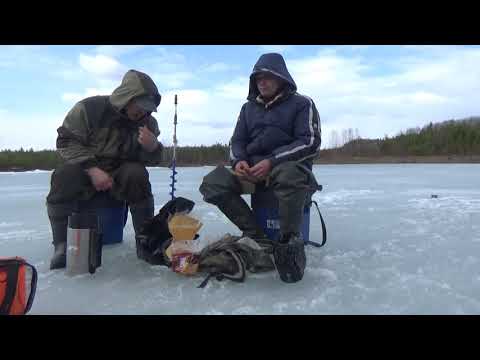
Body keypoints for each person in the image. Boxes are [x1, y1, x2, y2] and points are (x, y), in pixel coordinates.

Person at [199, 53, 321, 283]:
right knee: (213, 183)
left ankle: (288, 242)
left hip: (285, 168)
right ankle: (258, 238)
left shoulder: (303, 104)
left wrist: (272, 161)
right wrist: (239, 162)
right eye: (258, 78)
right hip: (252, 171)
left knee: (290, 175)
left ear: (282, 78)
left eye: (268, 77)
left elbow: (310, 141)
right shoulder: (248, 109)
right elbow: (237, 142)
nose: (262, 82)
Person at [46, 69, 163, 269]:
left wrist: (153, 148)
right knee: (64, 175)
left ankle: (145, 242)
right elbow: (66, 142)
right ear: (126, 97)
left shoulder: (148, 123)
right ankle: (62, 245)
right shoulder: (89, 109)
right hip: (85, 167)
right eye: (140, 106)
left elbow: (152, 160)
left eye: (148, 108)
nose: (143, 112)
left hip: (120, 173)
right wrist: (92, 169)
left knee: (137, 174)